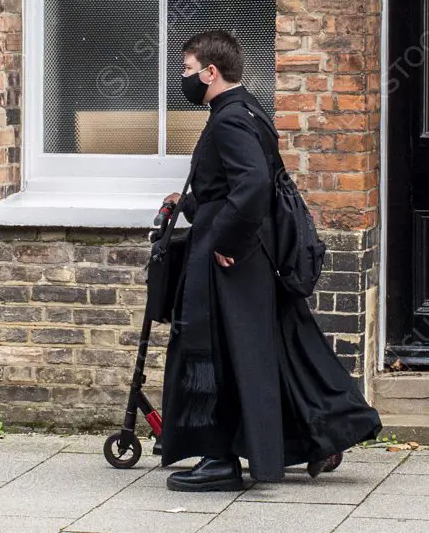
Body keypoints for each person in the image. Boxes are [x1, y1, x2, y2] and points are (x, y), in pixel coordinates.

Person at [160, 30, 381, 492]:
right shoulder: (248, 109)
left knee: (219, 352)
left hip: (231, 260)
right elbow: (232, 185)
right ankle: (317, 436)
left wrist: (226, 241)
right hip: (249, 254)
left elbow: (253, 185)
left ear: (210, 72)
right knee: (269, 350)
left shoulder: (229, 120)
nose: (183, 79)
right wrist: (191, 203)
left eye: (186, 70)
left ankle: (221, 460)